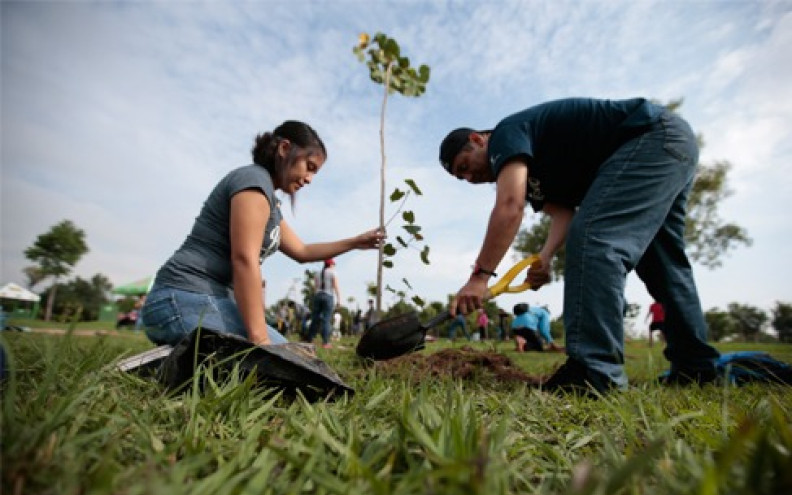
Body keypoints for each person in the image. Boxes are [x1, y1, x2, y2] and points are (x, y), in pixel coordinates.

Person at [439, 97, 720, 394]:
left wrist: (479, 277)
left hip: (649, 137)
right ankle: (695, 368)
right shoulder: (534, 171)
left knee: (596, 238)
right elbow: (563, 213)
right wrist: (545, 257)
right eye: (462, 177)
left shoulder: (506, 134)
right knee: (663, 264)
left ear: (477, 140)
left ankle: (594, 370)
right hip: (671, 146)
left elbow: (510, 205)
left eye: (466, 166)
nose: (470, 178)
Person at [141, 121, 384, 347]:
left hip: (215, 301)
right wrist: (260, 341)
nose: (309, 179)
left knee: (296, 359)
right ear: (285, 148)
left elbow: (302, 251)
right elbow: (244, 259)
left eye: (315, 173)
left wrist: (355, 242)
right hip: (181, 295)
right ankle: (164, 367)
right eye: (308, 167)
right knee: (269, 367)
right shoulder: (253, 181)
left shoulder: (270, 203)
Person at [306, 259, 342, 348]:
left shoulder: (317, 273)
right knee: (326, 319)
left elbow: (315, 287)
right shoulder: (333, 272)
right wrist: (339, 300)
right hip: (328, 296)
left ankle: (310, 339)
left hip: (318, 296)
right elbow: (336, 286)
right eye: (333, 264)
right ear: (330, 264)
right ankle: (326, 342)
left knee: (315, 319)